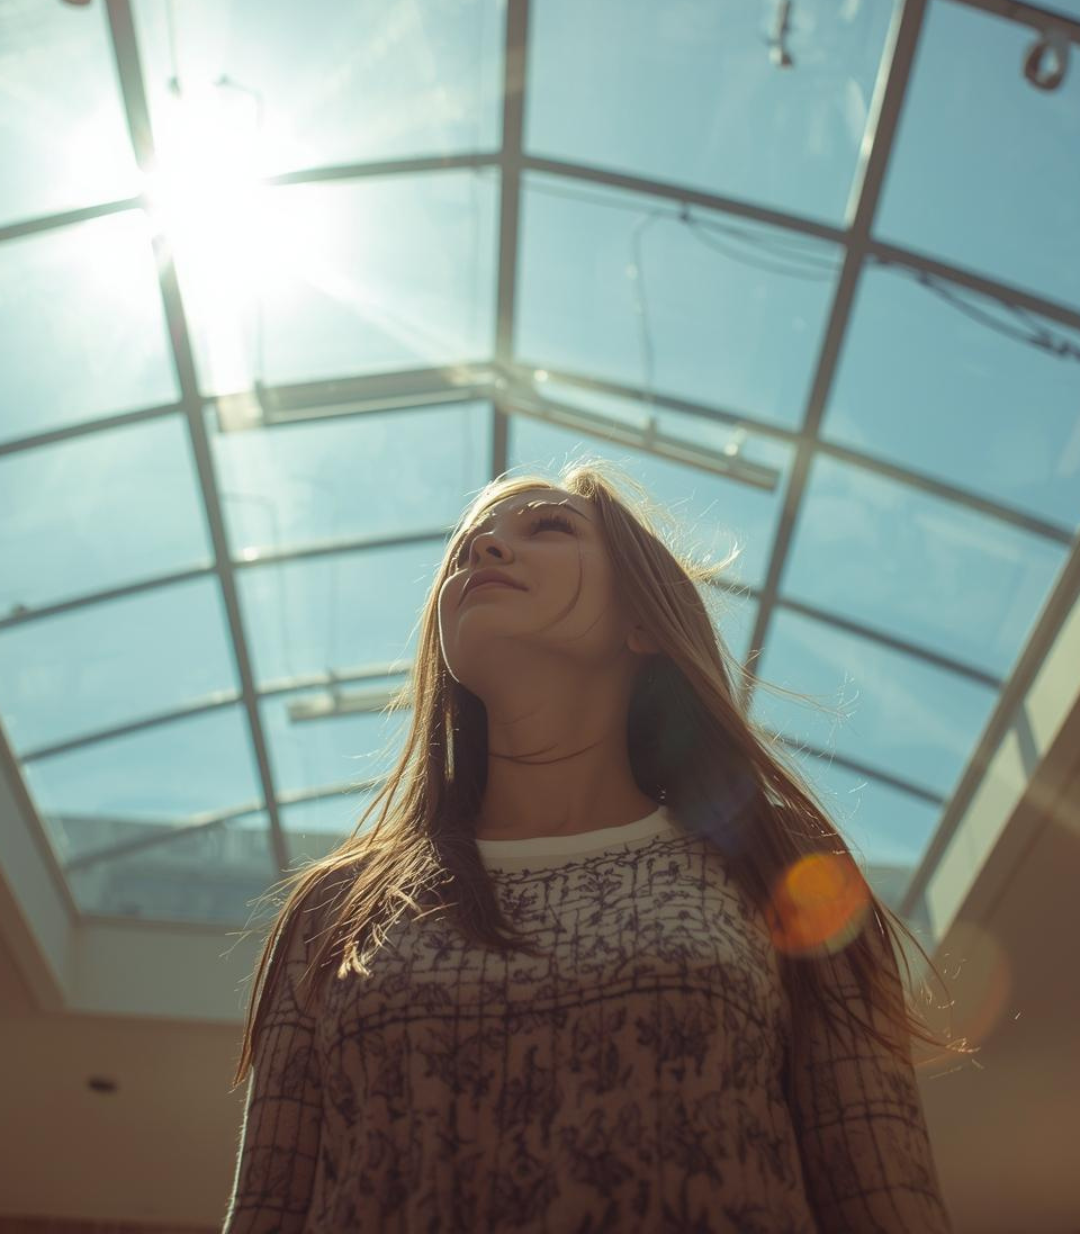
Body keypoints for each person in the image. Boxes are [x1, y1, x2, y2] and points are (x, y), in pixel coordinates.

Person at [221, 458, 971, 1233]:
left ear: (642, 622)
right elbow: (266, 1211)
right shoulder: (336, 911)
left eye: (547, 526)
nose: (482, 552)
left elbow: (885, 1193)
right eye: (465, 550)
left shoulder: (777, 862)